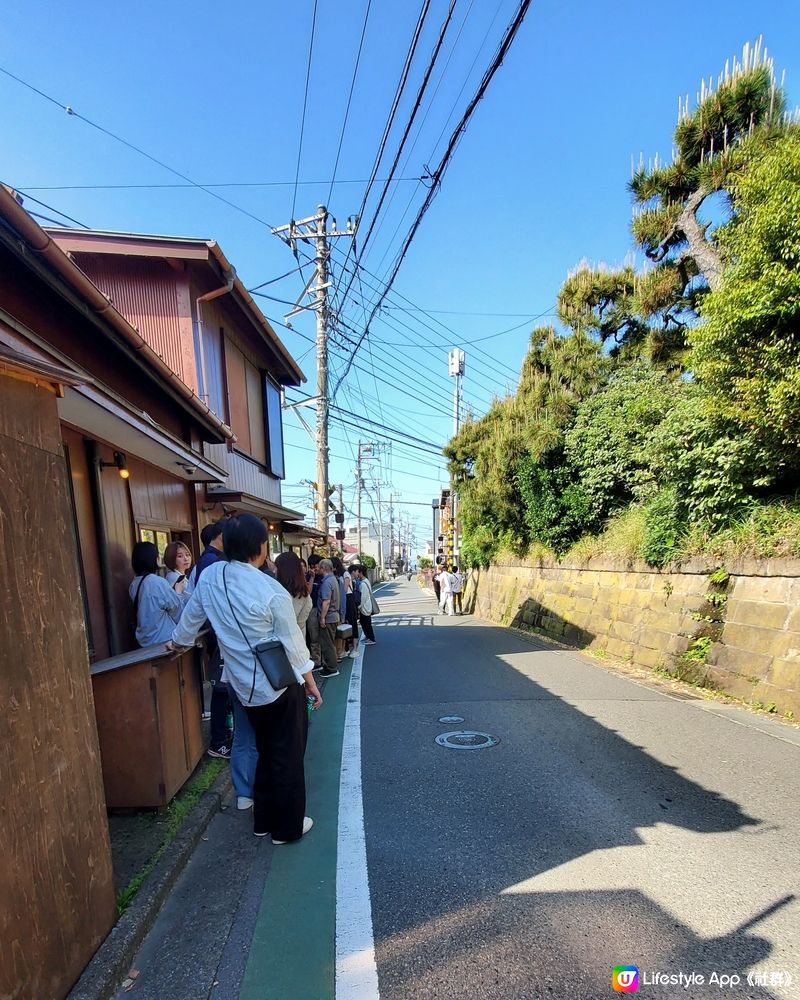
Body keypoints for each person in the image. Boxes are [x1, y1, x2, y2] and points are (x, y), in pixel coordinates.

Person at [168, 514, 321, 843]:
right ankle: (287, 828)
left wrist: (178, 643)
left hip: (240, 685)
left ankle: (263, 820)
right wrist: (309, 681)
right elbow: (293, 645)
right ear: (261, 548)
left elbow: (190, 619)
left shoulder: (210, 577)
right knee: (288, 755)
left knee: (265, 751)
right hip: (279, 684)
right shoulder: (270, 590)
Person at [187, 521, 231, 758]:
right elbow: (201, 604)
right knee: (222, 689)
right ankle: (219, 740)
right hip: (218, 633)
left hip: (215, 632)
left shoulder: (208, 561)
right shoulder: (212, 563)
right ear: (218, 536)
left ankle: (222, 737)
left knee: (223, 688)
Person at [129, 541, 183, 646]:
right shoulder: (156, 582)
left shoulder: (134, 584)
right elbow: (178, 612)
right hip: (164, 640)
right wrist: (178, 592)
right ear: (155, 559)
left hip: (144, 642)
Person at [316, 559, 341, 677]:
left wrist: (322, 618)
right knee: (330, 642)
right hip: (334, 615)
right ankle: (329, 666)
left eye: (319, 567)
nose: (318, 569)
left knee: (327, 644)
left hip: (329, 616)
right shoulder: (334, 579)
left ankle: (331, 668)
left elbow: (326, 601)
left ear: (323, 568)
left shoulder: (327, 582)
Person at [305, 554, 323, 671]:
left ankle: (326, 660)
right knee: (314, 636)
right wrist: (311, 578)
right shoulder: (308, 577)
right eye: (312, 566)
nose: (314, 568)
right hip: (311, 609)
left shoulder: (325, 577)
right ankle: (317, 661)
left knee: (324, 637)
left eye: (316, 565)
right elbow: (307, 592)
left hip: (323, 609)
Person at [352, 564, 377, 645]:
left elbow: (363, 598)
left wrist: (358, 607)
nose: (356, 573)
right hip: (365, 606)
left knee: (367, 623)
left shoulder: (363, 583)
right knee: (364, 622)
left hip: (365, 607)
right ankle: (368, 636)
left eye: (357, 571)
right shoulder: (365, 581)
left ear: (361, 572)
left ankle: (372, 638)